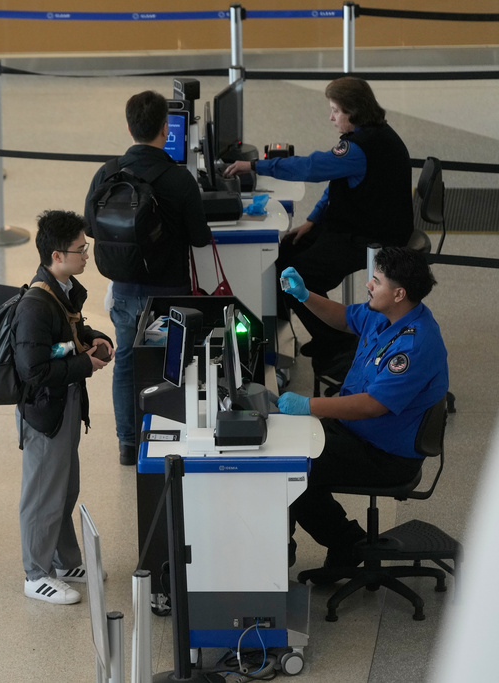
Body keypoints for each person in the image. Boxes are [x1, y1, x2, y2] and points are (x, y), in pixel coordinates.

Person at [276, 246, 448, 574]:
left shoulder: (415, 346)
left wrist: (309, 405)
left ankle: (346, 543)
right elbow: (343, 319)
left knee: (292, 471)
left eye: (377, 280)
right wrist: (304, 296)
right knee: (289, 453)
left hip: (385, 455)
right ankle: (346, 541)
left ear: (399, 293)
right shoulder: (384, 313)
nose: (369, 285)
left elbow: (371, 406)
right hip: (354, 431)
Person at [224, 76, 414, 372]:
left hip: (372, 235)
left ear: (354, 111)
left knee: (297, 277)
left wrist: (257, 166)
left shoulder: (359, 148)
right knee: (284, 251)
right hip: (358, 222)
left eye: (336, 110)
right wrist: (313, 220)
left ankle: (338, 344)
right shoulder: (372, 135)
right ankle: (294, 337)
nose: (331, 117)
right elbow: (338, 181)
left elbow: (311, 167)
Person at [85, 90, 212, 467]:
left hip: (124, 291)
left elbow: (93, 227)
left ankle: (128, 443)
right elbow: (200, 239)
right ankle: (172, 438)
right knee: (174, 362)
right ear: (166, 128)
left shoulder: (107, 173)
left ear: (128, 127)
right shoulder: (179, 179)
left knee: (125, 362)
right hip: (170, 293)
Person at [11, 210, 113, 605]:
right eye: (80, 249)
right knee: (42, 493)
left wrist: (96, 338)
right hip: (44, 411)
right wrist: (85, 363)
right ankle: (35, 575)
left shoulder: (64, 290)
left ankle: (64, 559)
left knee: (65, 486)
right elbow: (33, 371)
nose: (86, 255)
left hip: (65, 402)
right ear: (57, 255)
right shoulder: (37, 304)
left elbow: (73, 331)